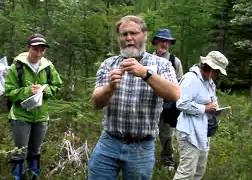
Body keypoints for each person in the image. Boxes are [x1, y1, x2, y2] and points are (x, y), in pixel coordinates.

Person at [88, 15, 180, 180]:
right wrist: (109, 88)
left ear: (144, 35)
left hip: (142, 147)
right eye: (124, 34)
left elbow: (174, 94)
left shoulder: (162, 64)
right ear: (119, 38)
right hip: (109, 142)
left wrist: (145, 73)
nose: (129, 38)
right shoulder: (108, 64)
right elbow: (96, 102)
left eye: (134, 33)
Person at [4, 33, 62, 179]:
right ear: (29, 48)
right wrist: (27, 91)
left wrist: (45, 90)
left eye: (42, 49)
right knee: (20, 150)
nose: (38, 53)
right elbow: (9, 92)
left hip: (41, 116)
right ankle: (18, 176)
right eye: (35, 49)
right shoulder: (17, 66)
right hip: (20, 116)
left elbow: (57, 86)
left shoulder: (48, 67)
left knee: (35, 150)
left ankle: (34, 175)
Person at [173, 51, 228, 180]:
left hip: (203, 132)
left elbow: (211, 101)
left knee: (199, 171)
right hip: (189, 132)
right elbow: (181, 104)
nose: (217, 75)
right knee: (186, 173)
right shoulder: (190, 79)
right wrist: (204, 108)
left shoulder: (209, 82)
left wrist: (215, 108)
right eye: (217, 71)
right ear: (208, 67)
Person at [151, 28, 183, 170]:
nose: (164, 44)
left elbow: (180, 85)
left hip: (168, 105)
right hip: (149, 104)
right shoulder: (146, 59)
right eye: (161, 40)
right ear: (156, 42)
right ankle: (146, 160)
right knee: (147, 133)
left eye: (167, 41)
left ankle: (167, 161)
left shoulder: (175, 62)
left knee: (167, 135)